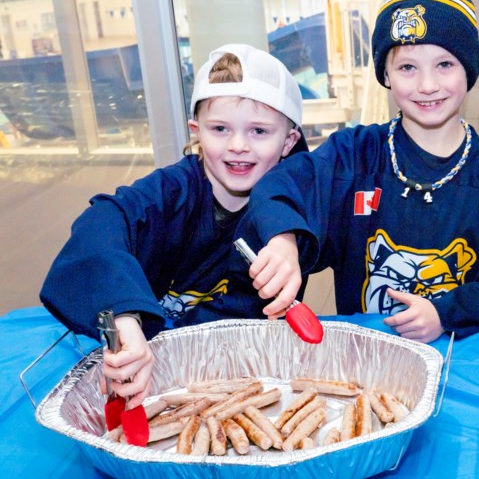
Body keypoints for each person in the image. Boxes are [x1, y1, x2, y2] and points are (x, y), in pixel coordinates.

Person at [239, 0, 479, 344]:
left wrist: (445, 313)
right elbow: (279, 187)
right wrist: (282, 239)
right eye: (408, 67)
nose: (427, 85)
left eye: (445, 65)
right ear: (386, 74)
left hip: (462, 357)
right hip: (368, 359)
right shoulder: (353, 156)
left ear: (468, 70)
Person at [40, 44, 306, 406]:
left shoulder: (292, 214)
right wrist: (125, 317)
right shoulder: (167, 194)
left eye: (259, 131)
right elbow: (99, 226)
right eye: (220, 129)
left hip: (232, 379)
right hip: (149, 371)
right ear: (197, 131)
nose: (239, 145)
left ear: (289, 141)